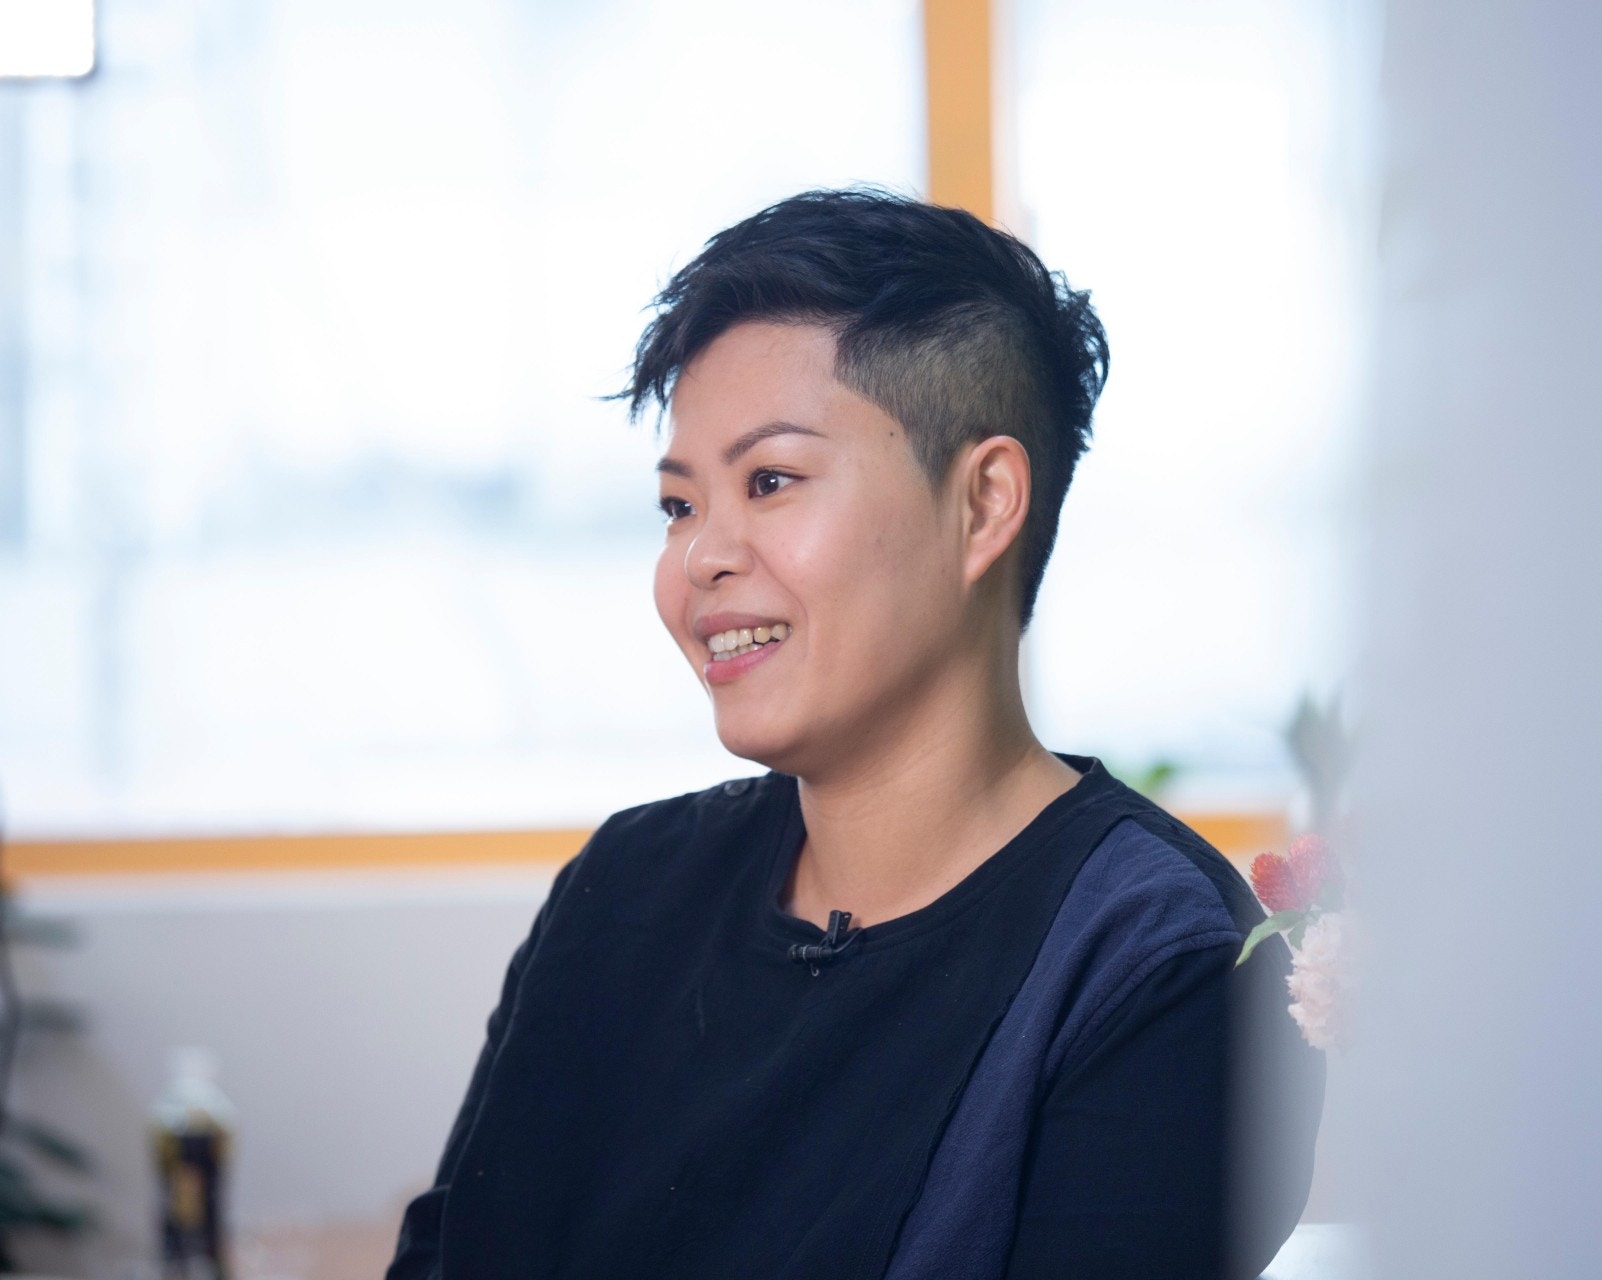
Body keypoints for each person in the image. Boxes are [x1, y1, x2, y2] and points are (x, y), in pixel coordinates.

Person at [386, 189, 1323, 1280]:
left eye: (770, 481)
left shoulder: (1162, 967)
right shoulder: (625, 884)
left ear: (983, 505)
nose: (700, 558)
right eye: (679, 506)